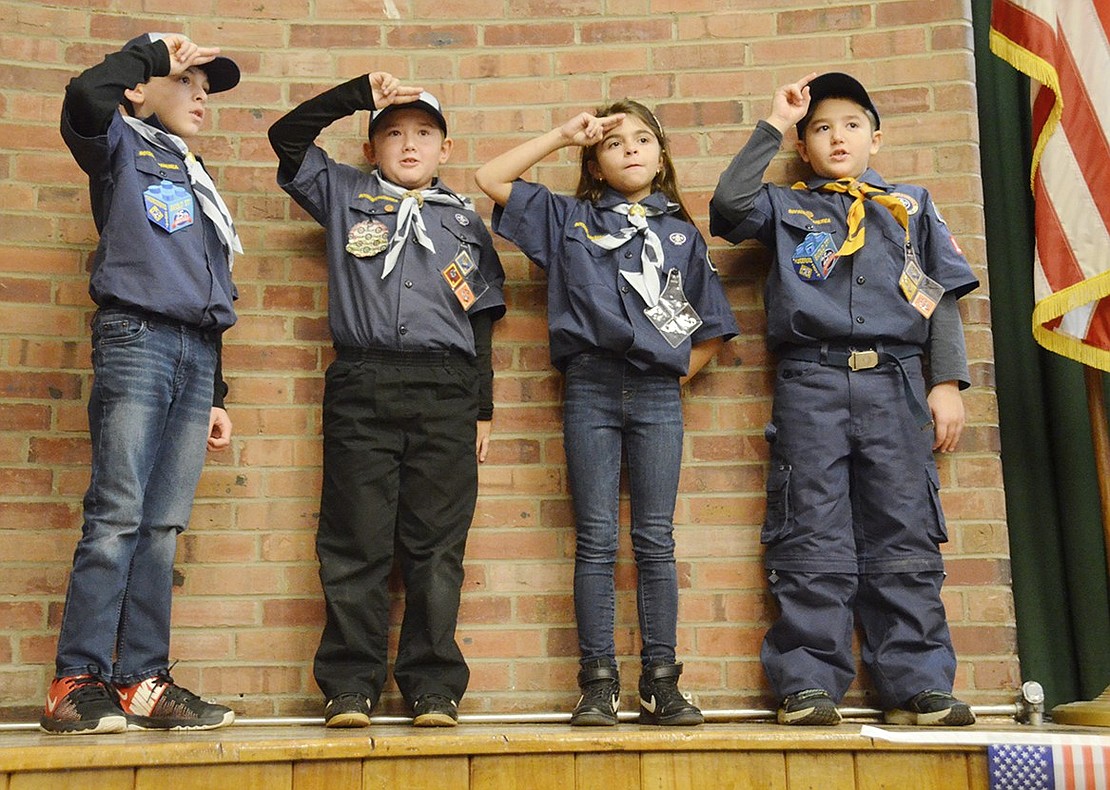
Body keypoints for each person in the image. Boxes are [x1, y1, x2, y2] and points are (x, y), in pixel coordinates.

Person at [709, 72, 980, 727]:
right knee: (810, 525)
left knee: (904, 525)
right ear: (805, 146)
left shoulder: (910, 206)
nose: (837, 137)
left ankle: (918, 680)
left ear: (875, 139)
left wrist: (945, 382)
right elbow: (726, 207)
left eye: (852, 125)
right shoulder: (786, 206)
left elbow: (938, 296)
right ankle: (806, 680)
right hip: (812, 381)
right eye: (822, 128)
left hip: (896, 383)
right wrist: (775, 123)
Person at [475, 100, 738, 727]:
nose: (631, 149)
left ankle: (661, 681)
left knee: (655, 540)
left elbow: (711, 334)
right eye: (614, 142)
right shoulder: (568, 219)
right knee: (594, 540)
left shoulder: (680, 233)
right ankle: (598, 683)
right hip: (589, 388)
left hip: (654, 391)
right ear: (594, 162)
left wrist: (674, 384)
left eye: (644, 138)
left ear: (663, 154)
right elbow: (491, 179)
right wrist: (564, 136)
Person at [268, 74, 506, 729]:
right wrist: (354, 95)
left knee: (436, 546)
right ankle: (350, 684)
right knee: (355, 541)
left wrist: (482, 407)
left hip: (446, 390)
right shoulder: (345, 193)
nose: (408, 144)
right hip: (364, 382)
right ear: (371, 147)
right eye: (392, 132)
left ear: (445, 148)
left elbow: (482, 318)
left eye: (423, 133)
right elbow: (286, 138)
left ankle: (433, 687)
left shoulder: (463, 220)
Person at [42, 33, 241, 735]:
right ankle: (77, 679)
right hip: (137, 340)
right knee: (119, 516)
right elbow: (83, 97)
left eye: (207, 92)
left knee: (161, 527)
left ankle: (142, 681)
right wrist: (150, 50)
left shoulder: (196, 174)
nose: (200, 100)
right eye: (187, 83)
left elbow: (209, 286)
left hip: (193, 353)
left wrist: (216, 392)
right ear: (140, 89)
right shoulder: (119, 145)